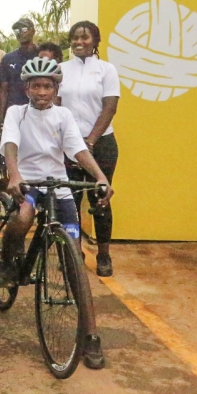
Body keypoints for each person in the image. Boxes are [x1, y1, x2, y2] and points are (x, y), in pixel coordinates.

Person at [0, 56, 112, 370]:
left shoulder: (63, 115)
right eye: (35, 85)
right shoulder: (17, 112)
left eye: (47, 86)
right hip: (28, 184)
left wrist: (100, 176)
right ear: (27, 87)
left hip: (58, 188)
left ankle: (91, 336)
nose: (41, 91)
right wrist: (14, 175)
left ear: (56, 88)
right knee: (23, 217)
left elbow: (77, 149)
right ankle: (7, 262)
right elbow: (10, 144)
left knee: (75, 257)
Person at [59, 21, 119, 277]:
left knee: (100, 200)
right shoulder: (61, 70)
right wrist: (69, 141)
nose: (79, 42)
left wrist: (91, 140)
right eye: (75, 38)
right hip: (68, 145)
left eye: (85, 37)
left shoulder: (106, 70)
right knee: (70, 202)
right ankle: (75, 251)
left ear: (96, 41)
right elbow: (57, 107)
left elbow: (110, 107)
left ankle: (104, 255)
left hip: (102, 143)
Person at [0, 17, 39, 125]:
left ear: (33, 31)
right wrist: (2, 119)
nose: (20, 33)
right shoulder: (8, 58)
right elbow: (4, 91)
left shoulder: (42, 55)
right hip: (15, 112)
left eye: (24, 29)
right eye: (16, 30)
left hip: (39, 110)